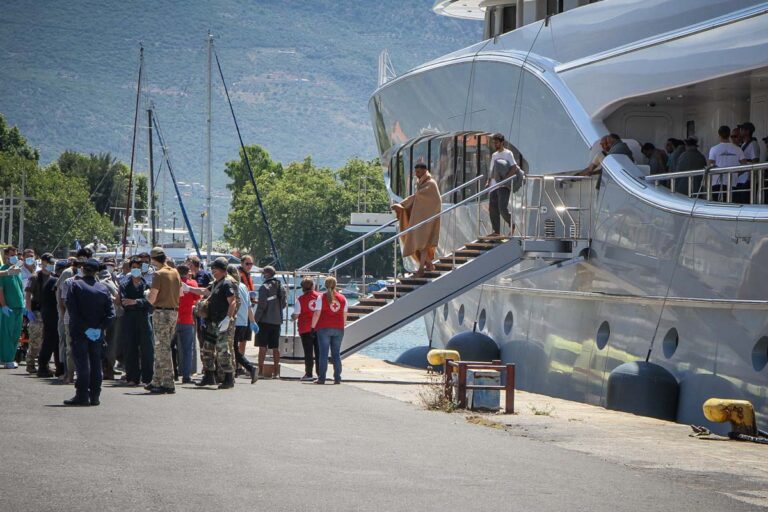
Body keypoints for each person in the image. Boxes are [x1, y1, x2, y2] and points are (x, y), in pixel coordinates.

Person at [64, 258, 115, 406]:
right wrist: (100, 328)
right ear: (96, 272)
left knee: (82, 364)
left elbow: (72, 310)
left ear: (83, 269)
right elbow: (110, 314)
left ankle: (82, 395)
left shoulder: (75, 285)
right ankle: (95, 396)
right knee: (95, 363)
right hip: (97, 332)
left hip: (80, 331)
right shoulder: (103, 288)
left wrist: (85, 328)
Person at [390, 162, 441, 277]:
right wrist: (403, 206)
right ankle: (428, 265)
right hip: (423, 217)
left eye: (418, 171)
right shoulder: (422, 183)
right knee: (421, 243)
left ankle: (422, 269)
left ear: (424, 170)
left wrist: (402, 205)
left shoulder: (430, 184)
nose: (416, 174)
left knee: (422, 243)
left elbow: (419, 198)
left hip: (428, 218)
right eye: (415, 171)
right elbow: (418, 198)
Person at [197, 257, 237, 389]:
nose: (212, 271)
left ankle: (229, 377)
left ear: (221, 269)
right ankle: (209, 375)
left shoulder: (227, 284)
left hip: (221, 322)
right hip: (212, 322)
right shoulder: (216, 283)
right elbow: (204, 291)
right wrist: (188, 288)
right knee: (207, 349)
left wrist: (227, 318)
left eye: (214, 268)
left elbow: (232, 302)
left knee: (223, 351)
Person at [146, 247, 181, 394]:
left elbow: (152, 298)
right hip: (173, 313)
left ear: (153, 260)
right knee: (163, 346)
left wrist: (146, 294)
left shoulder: (158, 274)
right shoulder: (175, 272)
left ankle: (168, 382)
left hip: (161, 313)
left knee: (162, 348)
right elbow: (181, 293)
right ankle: (156, 379)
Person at [57, 247, 93, 383]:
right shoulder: (68, 281)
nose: (81, 268)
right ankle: (70, 375)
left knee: (87, 348)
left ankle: (84, 375)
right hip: (70, 319)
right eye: (79, 266)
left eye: (84, 266)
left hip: (87, 321)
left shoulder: (93, 282)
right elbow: (63, 301)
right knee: (70, 348)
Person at [119, 257, 154, 386]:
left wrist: (135, 302)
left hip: (144, 318)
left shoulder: (147, 284)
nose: (136, 270)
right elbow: (124, 302)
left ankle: (148, 378)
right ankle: (132, 377)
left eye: (138, 268)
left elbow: (150, 302)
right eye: (133, 267)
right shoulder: (124, 284)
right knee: (130, 349)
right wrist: (139, 302)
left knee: (147, 349)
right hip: (129, 319)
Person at [310, 276, 347, 385]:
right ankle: (337, 378)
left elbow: (317, 314)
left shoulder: (321, 298)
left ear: (325, 285)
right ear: (336, 285)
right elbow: (345, 315)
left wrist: (312, 327)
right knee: (336, 354)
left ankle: (322, 378)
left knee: (323, 354)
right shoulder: (343, 298)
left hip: (324, 328)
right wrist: (342, 325)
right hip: (339, 328)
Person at [486, 133, 522, 237]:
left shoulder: (508, 153)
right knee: (492, 209)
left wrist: (505, 179)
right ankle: (496, 231)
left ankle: (512, 224)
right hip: (494, 185)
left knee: (502, 208)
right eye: (494, 142)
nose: (495, 144)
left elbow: (514, 167)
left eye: (497, 142)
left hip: (504, 186)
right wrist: (488, 181)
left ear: (502, 142)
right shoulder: (494, 155)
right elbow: (491, 170)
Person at [253, 265, 286, 378]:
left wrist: (254, 320)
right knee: (275, 347)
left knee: (262, 347)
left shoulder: (264, 287)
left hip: (264, 321)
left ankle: (261, 372)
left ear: (266, 274)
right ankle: (276, 372)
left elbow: (262, 306)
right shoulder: (281, 286)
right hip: (277, 321)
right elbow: (283, 304)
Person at [228, 264, 258, 384]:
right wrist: (253, 322)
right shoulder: (244, 287)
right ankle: (233, 371)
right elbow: (249, 306)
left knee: (232, 349)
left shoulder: (229, 285)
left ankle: (250, 368)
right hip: (243, 322)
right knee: (234, 348)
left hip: (234, 321)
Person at [24, 252, 53, 374]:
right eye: (49, 262)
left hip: (49, 312)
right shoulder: (35, 277)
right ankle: (30, 363)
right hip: (37, 312)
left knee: (47, 340)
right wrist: (29, 310)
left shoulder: (53, 277)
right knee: (35, 340)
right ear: (43, 262)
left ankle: (44, 363)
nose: (51, 265)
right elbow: (28, 294)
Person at [175, 264, 201, 384]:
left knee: (169, 347)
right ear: (188, 272)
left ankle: (172, 373)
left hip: (173, 318)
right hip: (187, 319)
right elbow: (198, 298)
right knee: (187, 349)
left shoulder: (173, 283)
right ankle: (186, 376)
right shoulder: (192, 284)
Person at [708, 125, 748, 201]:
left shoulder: (714, 149)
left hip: (716, 183)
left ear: (719, 135)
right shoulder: (737, 149)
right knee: (731, 204)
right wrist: (736, 173)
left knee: (717, 205)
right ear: (729, 134)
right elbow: (745, 165)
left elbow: (710, 166)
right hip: (732, 182)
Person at [36, 255, 61, 377]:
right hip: (52, 315)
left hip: (50, 314)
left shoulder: (52, 279)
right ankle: (43, 367)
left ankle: (58, 367)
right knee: (50, 342)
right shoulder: (55, 281)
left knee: (55, 342)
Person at [292, 277, 321, 382]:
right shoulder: (320, 297)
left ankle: (309, 373)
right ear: (313, 286)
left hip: (305, 329)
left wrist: (291, 317)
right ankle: (320, 373)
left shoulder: (300, 299)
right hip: (318, 328)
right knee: (319, 352)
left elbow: (296, 315)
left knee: (308, 352)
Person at [0, 247, 25, 369]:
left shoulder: (16, 271)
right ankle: (6, 359)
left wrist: (23, 304)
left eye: (16, 254)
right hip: (8, 308)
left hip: (18, 308)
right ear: (6, 256)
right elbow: (0, 290)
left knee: (16, 335)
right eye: (12, 255)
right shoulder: (4, 270)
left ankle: (10, 357)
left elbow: (20, 289)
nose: (15, 257)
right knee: (7, 334)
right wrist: (4, 305)